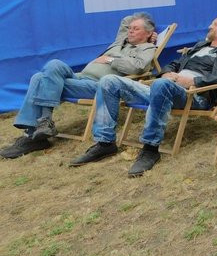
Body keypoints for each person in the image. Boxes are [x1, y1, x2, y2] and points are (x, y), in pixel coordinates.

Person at [72, 15, 217, 175]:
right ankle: (105, 142)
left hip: (195, 95)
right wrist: (166, 73)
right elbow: (174, 64)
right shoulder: (200, 46)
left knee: (162, 85)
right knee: (109, 80)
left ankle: (150, 149)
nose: (210, 25)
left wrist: (194, 81)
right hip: (166, 86)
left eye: (216, 24)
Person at [1, 14, 158, 159]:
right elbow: (127, 19)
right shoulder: (120, 41)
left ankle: (32, 133)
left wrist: (110, 60)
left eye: (136, 29)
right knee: (53, 65)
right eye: (129, 28)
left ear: (148, 33)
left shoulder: (147, 48)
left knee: (39, 78)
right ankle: (43, 124)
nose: (130, 31)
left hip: (97, 85)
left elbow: (137, 67)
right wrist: (137, 23)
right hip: (79, 77)